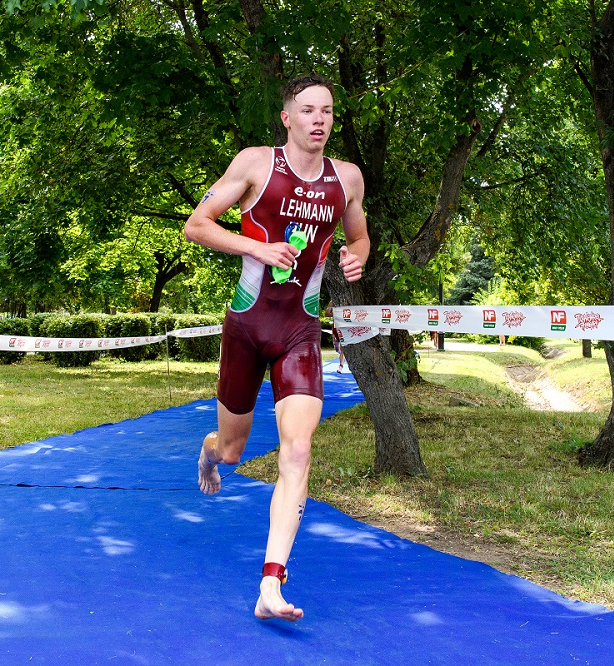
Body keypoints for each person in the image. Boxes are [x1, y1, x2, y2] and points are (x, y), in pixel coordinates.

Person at [184, 73, 370, 622]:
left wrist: (357, 255)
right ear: (287, 117)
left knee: (297, 450)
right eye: (308, 110)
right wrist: (257, 248)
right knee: (236, 451)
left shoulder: (348, 179)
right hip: (246, 326)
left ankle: (271, 584)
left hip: (300, 331)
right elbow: (198, 225)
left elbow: (358, 234)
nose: (319, 119)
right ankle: (211, 448)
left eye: (328, 111)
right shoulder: (255, 164)